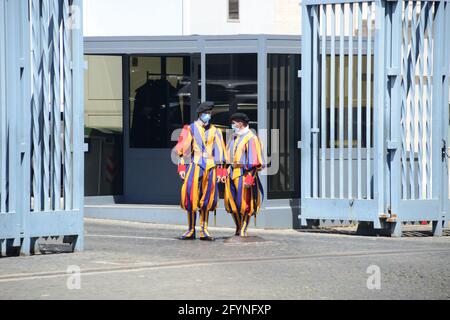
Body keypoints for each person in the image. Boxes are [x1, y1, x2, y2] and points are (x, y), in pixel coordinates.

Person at [175, 101, 227, 241]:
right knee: (191, 196)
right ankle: (191, 229)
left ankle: (204, 230)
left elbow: (220, 152)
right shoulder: (190, 128)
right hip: (195, 165)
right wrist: (181, 167)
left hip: (210, 167)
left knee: (207, 198)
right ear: (200, 114)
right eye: (206, 114)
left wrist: (221, 171)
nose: (208, 116)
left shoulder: (215, 131)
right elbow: (182, 150)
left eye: (210, 114)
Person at [223, 113, 264, 237]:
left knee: (244, 203)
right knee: (231, 202)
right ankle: (238, 226)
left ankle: (243, 228)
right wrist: (224, 171)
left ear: (241, 124)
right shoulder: (233, 137)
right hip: (231, 173)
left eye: (234, 123)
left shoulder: (251, 138)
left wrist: (250, 178)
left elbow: (254, 161)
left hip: (244, 174)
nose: (233, 125)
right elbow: (226, 158)